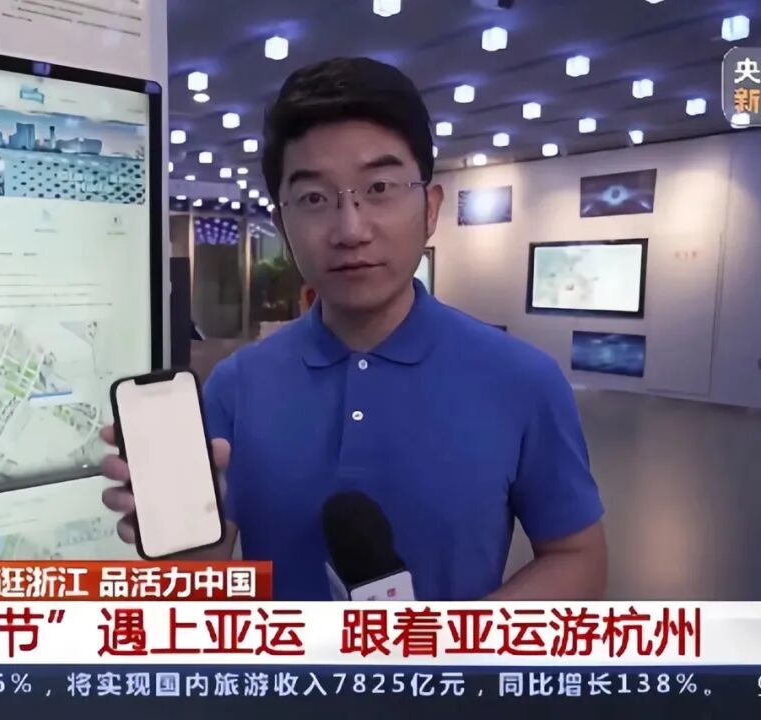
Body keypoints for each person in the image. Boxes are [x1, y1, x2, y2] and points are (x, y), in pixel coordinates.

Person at [101, 57, 607, 600]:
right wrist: (187, 558)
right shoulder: (236, 385)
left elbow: (577, 556)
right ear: (282, 224)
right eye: (314, 199)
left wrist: (455, 643)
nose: (350, 229)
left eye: (380, 187)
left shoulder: (522, 380)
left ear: (430, 208)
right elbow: (203, 583)